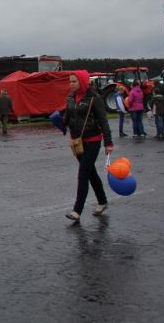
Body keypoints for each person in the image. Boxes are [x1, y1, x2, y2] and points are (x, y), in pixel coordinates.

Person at [64, 71, 113, 222]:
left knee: (83, 174)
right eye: (70, 81)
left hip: (93, 140)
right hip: (78, 142)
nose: (71, 84)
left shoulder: (94, 98)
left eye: (74, 81)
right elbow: (68, 118)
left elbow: (103, 121)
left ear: (83, 82)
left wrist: (108, 142)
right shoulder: (70, 98)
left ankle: (77, 211)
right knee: (91, 173)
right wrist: (60, 123)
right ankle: (102, 201)